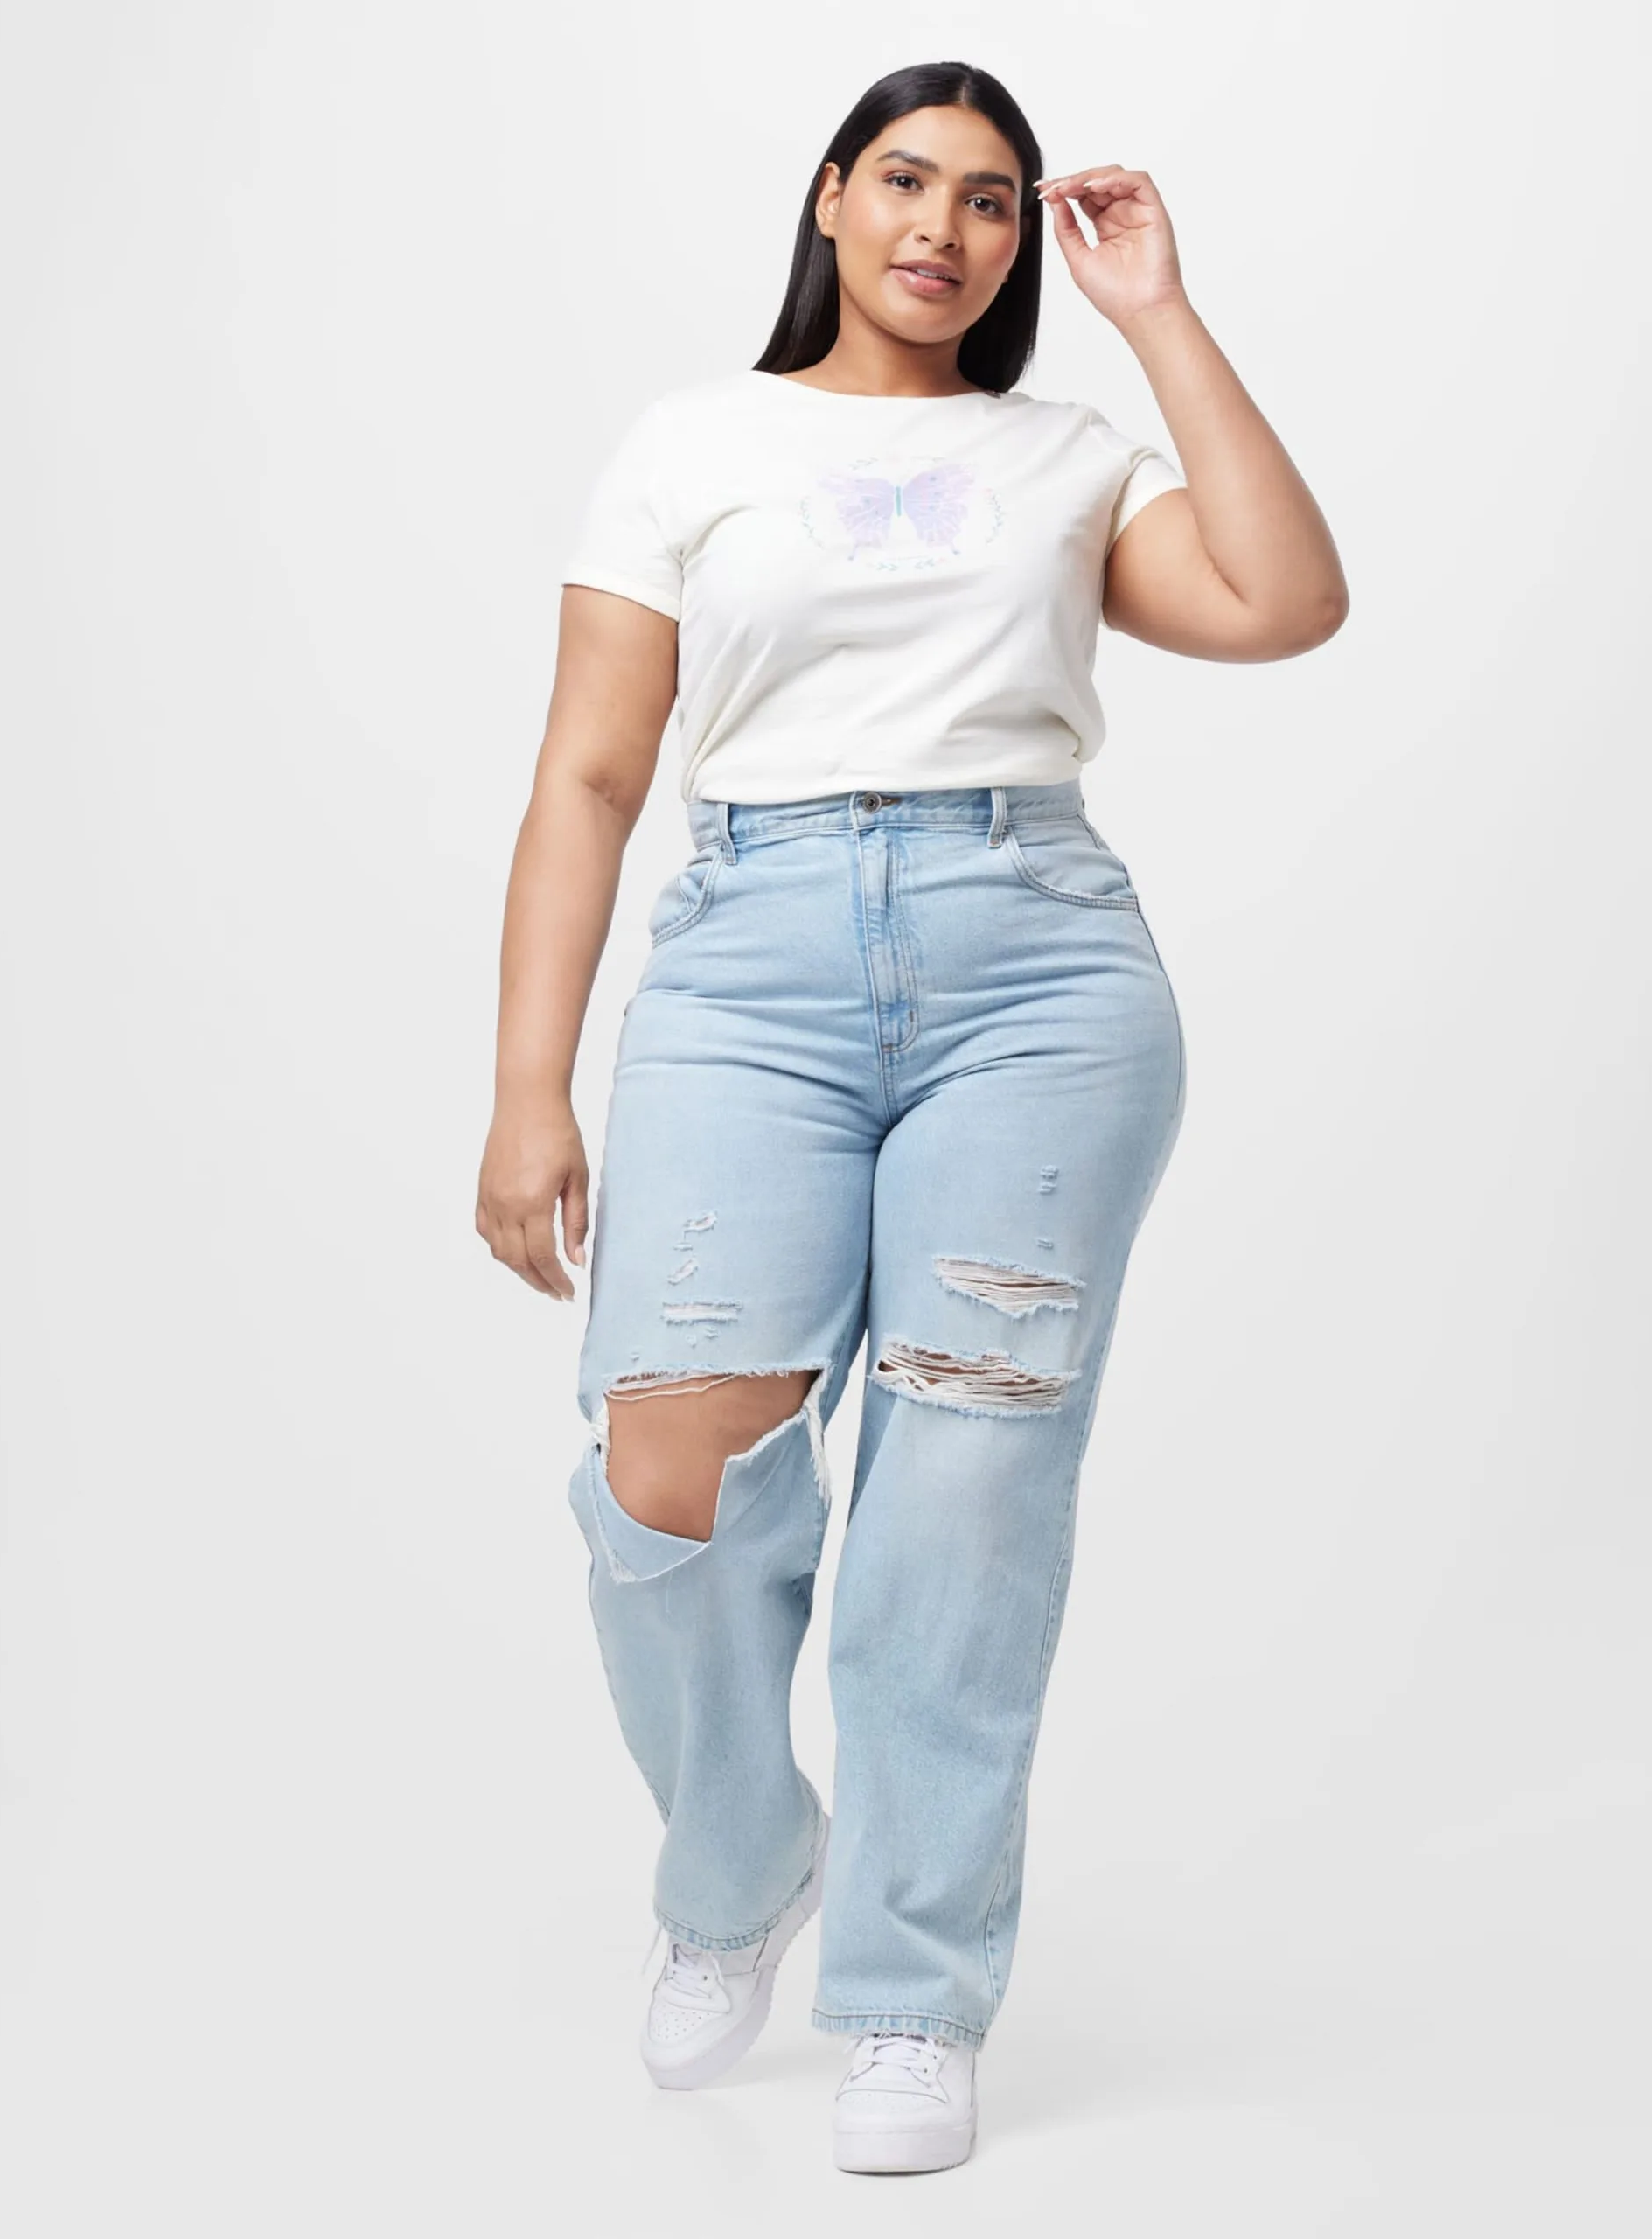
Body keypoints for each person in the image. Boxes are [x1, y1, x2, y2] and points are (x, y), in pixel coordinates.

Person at [477, 58, 1348, 2175]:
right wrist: (527, 1083)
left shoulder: (1065, 455)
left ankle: (908, 1992)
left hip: (1033, 968)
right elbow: (590, 771)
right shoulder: (692, 443)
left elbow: (1285, 600)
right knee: (668, 1470)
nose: (943, 230)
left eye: (990, 200)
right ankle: (741, 1856)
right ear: (831, 198)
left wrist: (1156, 313)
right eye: (906, 181)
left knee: (961, 1500)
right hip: (748, 963)